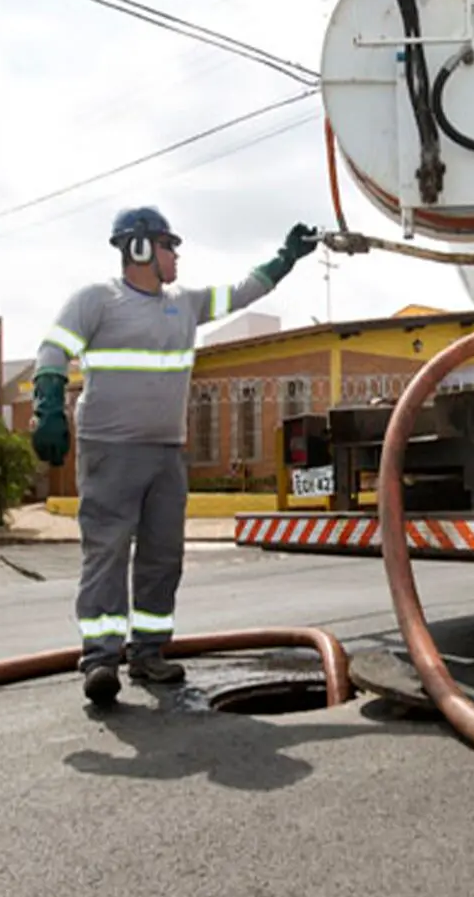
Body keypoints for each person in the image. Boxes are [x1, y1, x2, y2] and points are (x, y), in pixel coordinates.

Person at [31, 205, 318, 705]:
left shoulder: (184, 303)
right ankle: (100, 658)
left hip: (166, 454)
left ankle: (147, 653)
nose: (176, 254)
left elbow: (242, 292)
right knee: (108, 552)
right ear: (139, 247)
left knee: (164, 557)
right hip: (110, 450)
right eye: (169, 245)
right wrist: (48, 404)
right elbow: (53, 350)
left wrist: (285, 259)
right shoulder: (97, 300)